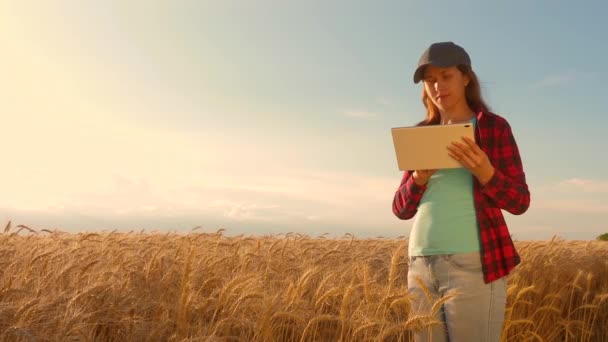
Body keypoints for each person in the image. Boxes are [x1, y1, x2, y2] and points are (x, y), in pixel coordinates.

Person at [391, 41, 530, 341]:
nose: (438, 86)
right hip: (419, 264)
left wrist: (486, 172)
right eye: (430, 81)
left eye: (446, 76)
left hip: (473, 263)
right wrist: (417, 180)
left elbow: (520, 201)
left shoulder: (493, 128)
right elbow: (400, 209)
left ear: (466, 77)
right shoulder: (420, 134)